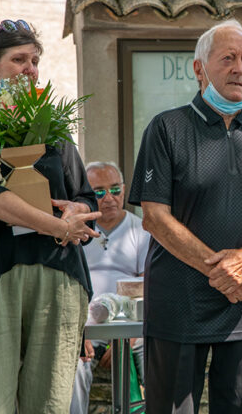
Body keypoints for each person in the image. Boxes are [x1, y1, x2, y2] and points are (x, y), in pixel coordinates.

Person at [128, 19, 242, 414]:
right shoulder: (166, 128)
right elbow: (154, 217)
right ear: (199, 69)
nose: (240, 68)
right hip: (179, 301)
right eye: (228, 59)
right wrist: (222, 271)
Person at [0, 19, 101, 413]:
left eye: (35, 60)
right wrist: (57, 225)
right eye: (19, 59)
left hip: (59, 276)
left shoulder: (53, 129)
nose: (31, 69)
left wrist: (77, 210)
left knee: (49, 403)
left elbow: (83, 195)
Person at [70, 160, 150, 414]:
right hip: (85, 327)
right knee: (72, 370)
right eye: (99, 192)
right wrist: (79, 332)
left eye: (115, 190)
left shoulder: (141, 230)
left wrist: (126, 339)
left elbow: (150, 287)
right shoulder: (75, 232)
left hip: (133, 327)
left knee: (157, 358)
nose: (109, 198)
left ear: (124, 190)